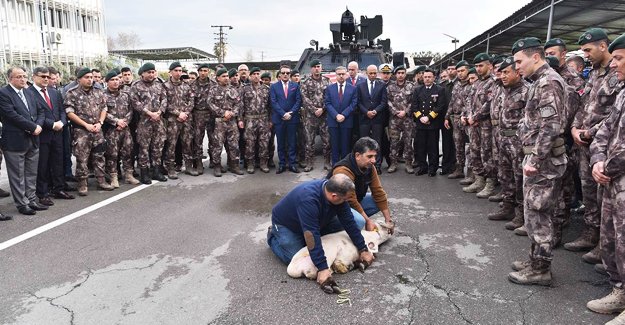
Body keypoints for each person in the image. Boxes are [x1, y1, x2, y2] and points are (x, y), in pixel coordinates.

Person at [508, 37, 567, 286]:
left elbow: (550, 125)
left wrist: (536, 157)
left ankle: (541, 268)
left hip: (542, 161)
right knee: (533, 211)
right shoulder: (538, 81)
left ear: (535, 57)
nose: (516, 67)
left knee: (539, 212)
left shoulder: (548, 82)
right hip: (536, 157)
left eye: (519, 61)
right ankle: (535, 257)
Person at [568, 28, 624, 253]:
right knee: (588, 190)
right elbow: (584, 104)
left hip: (609, 146)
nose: (585, 55)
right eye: (582, 51)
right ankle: (591, 235)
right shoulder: (593, 73)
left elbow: (614, 116)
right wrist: (574, 128)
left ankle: (605, 244)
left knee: (605, 197)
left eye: (588, 50)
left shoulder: (617, 74)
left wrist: (589, 132)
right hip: (586, 144)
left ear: (603, 46)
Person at [267, 173, 375, 286]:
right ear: (334, 196)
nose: (347, 201)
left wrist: (363, 249)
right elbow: (311, 235)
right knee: (295, 259)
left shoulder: (336, 195)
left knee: (357, 222)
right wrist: (323, 268)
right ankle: (273, 237)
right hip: (287, 225)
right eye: (345, 199)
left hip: (316, 220)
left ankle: (316, 239)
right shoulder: (308, 200)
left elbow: (349, 222)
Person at [587, 32, 625, 324]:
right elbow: (605, 129)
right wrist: (598, 159)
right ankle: (619, 290)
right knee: (611, 237)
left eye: (620, 58)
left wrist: (606, 165)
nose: (614, 65)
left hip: (617, 175)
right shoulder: (623, 92)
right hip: (611, 178)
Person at [486, 57, 527, 227]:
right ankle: (507, 207)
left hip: (517, 141)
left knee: (519, 178)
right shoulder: (504, 90)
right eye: (501, 72)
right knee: (505, 175)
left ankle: (521, 214)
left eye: (506, 72)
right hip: (502, 138)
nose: (502, 76)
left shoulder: (527, 91)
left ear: (518, 72)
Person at [0, 67, 47, 215]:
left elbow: (40, 111)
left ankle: (32, 200)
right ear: (10, 79)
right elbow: (10, 115)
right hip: (15, 141)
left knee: (31, 173)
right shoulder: (3, 93)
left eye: (24, 76)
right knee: (17, 176)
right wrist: (32, 127)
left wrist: (38, 125)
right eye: (18, 76)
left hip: (33, 139)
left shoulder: (29, 92)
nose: (22, 79)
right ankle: (22, 204)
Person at [27, 66, 73, 206]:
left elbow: (62, 110)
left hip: (58, 132)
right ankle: (43, 193)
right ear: (34, 77)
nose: (46, 79)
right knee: (43, 165)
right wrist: (51, 124)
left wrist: (62, 122)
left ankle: (58, 189)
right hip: (42, 134)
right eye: (42, 76)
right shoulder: (29, 93)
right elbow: (32, 115)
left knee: (58, 161)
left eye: (47, 76)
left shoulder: (54, 92)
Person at [65, 67, 114, 195]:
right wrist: (85, 125)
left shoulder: (98, 91)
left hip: (97, 129)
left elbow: (104, 108)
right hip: (82, 131)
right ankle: (82, 183)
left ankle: (101, 181)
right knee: (82, 158)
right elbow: (69, 112)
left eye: (91, 77)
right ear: (79, 79)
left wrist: (100, 122)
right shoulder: (72, 93)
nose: (90, 80)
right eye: (86, 77)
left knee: (99, 156)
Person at [328, 136, 393, 232]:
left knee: (380, 201)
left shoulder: (369, 166)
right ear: (357, 156)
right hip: (336, 207)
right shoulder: (343, 170)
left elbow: (378, 192)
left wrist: (388, 220)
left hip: (353, 201)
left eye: (375, 156)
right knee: (359, 221)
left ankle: (352, 221)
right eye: (370, 156)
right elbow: (351, 200)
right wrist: (367, 221)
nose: (374, 160)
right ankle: (332, 227)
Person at [129, 62, 168, 184]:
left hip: (158, 120)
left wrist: (159, 112)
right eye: (148, 72)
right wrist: (149, 113)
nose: (151, 74)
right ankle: (144, 173)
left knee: (158, 147)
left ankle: (156, 171)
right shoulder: (136, 86)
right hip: (144, 122)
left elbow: (164, 99)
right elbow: (135, 103)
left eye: (153, 72)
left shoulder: (159, 85)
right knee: (144, 148)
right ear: (142, 73)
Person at [463, 53, 496, 198]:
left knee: (487, 154)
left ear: (489, 65)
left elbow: (489, 103)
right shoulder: (477, 83)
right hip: (474, 125)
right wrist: (469, 116)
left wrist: (475, 117)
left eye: (481, 65)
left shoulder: (494, 82)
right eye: (476, 66)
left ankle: (490, 183)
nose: (478, 69)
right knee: (474, 151)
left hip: (486, 125)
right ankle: (479, 179)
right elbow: (469, 102)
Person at [103, 70, 140, 187]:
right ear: (107, 82)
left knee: (128, 152)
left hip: (125, 128)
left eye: (117, 79)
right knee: (112, 154)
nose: (115, 82)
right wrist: (116, 121)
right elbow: (102, 112)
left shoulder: (125, 95)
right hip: (111, 130)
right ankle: (113, 176)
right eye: (112, 80)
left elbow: (131, 110)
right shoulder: (102, 96)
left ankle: (129, 175)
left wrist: (124, 121)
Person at [208, 68, 243, 177]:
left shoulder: (233, 89)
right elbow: (210, 104)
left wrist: (232, 113)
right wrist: (223, 113)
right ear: (218, 78)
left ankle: (234, 165)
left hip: (232, 121)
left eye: (227, 76)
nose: (226, 78)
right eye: (223, 76)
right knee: (217, 145)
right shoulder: (213, 90)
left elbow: (238, 104)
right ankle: (217, 166)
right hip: (219, 122)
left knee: (233, 144)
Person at [411, 69, 446, 176]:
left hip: (433, 123)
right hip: (421, 123)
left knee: (432, 147)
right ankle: (423, 167)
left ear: (434, 78)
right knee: (421, 147)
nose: (427, 79)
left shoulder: (439, 90)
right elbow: (414, 106)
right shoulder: (418, 90)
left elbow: (440, 106)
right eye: (425, 77)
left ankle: (432, 168)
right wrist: (421, 117)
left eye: (429, 77)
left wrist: (429, 118)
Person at [164, 62, 195, 179]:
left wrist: (185, 113)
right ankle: (171, 168)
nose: (178, 73)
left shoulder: (186, 86)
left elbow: (191, 101)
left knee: (187, 143)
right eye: (176, 70)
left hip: (186, 119)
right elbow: (165, 103)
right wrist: (178, 113)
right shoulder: (165, 86)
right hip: (172, 120)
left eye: (180, 70)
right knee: (171, 144)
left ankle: (188, 167)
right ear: (170, 72)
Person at [300, 59, 331, 172]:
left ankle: (327, 162)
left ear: (321, 68)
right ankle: (309, 163)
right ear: (311, 68)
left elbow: (329, 97)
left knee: (327, 141)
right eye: (315, 67)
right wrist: (314, 110)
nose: (317, 68)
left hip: (324, 116)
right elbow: (304, 98)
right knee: (309, 141)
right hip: (310, 117)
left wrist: (322, 109)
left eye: (318, 66)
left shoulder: (327, 81)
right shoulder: (305, 82)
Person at [269, 66, 301, 174]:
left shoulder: (295, 86)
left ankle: (292, 164)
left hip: (292, 118)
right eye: (283, 73)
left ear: (290, 74)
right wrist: (283, 113)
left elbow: (298, 101)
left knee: (292, 142)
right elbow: (273, 102)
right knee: (281, 143)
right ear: (280, 74)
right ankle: (282, 164)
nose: (285, 74)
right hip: (279, 119)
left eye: (287, 73)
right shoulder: (274, 87)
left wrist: (291, 113)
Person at [239, 67, 271, 173]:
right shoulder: (244, 89)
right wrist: (240, 119)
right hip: (250, 119)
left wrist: (271, 120)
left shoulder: (266, 89)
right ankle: (250, 164)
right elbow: (241, 106)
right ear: (250, 75)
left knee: (264, 142)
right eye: (254, 74)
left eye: (258, 73)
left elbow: (270, 106)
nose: (256, 76)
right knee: (250, 143)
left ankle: (263, 163)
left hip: (263, 119)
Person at [357, 65, 388, 172]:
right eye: (371, 73)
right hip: (364, 118)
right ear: (366, 73)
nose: (373, 75)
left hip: (377, 118)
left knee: (377, 142)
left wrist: (375, 111)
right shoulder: (360, 86)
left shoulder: (382, 85)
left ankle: (377, 165)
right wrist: (366, 112)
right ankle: (364, 165)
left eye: (375, 73)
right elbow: (358, 102)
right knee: (364, 142)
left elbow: (384, 102)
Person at [445, 60, 472, 179]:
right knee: (458, 145)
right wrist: (447, 116)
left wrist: (465, 115)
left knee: (472, 147)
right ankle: (459, 168)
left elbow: (470, 103)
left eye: (463, 71)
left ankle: (472, 173)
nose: (460, 73)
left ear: (468, 70)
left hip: (467, 120)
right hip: (455, 119)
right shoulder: (456, 85)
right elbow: (452, 102)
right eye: (459, 71)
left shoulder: (472, 84)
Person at [325, 66, 357, 164]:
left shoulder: (353, 88)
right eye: (339, 74)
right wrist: (336, 115)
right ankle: (335, 166)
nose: (341, 76)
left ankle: (344, 166)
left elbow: (354, 103)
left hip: (346, 121)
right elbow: (327, 103)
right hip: (333, 121)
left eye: (343, 74)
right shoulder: (329, 88)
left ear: (346, 74)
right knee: (334, 145)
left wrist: (343, 115)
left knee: (345, 146)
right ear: (336, 75)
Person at [386, 65, 415, 174]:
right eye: (398, 73)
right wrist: (395, 112)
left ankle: (408, 163)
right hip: (394, 119)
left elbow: (413, 102)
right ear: (395, 74)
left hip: (407, 119)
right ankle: (393, 163)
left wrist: (405, 111)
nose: (400, 75)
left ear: (405, 74)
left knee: (408, 142)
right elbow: (387, 101)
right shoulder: (390, 87)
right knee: (394, 142)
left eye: (402, 73)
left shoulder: (411, 87)